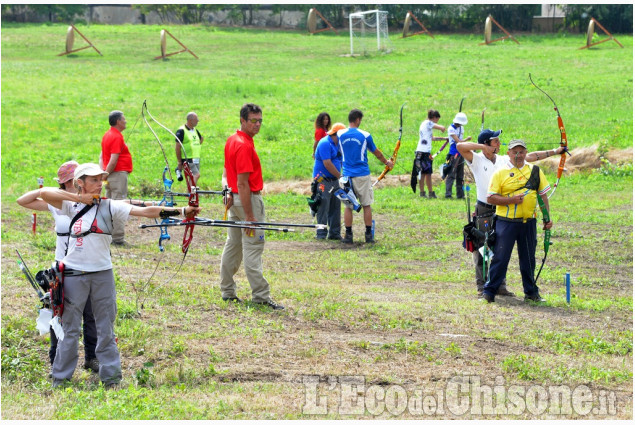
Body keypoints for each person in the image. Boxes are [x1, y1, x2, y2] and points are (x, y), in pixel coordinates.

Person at [40, 163, 200, 388]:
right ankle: (61, 379)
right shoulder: (69, 205)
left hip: (102, 273)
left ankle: (112, 378)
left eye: (100, 180)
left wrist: (182, 211)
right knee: (70, 328)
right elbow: (44, 193)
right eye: (93, 180)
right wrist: (79, 198)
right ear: (80, 183)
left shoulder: (109, 205)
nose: (99, 184)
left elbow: (145, 211)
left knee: (106, 325)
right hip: (74, 274)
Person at [458, 129, 566, 298]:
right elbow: (459, 145)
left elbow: (530, 157)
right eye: (495, 142)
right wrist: (482, 148)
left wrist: (555, 152)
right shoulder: (476, 159)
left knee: (501, 249)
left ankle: (500, 286)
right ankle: (482, 286)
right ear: (487, 143)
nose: (499, 144)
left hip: (503, 212)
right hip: (485, 209)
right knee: (483, 248)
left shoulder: (503, 159)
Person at [17, 161, 99, 374]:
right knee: (59, 313)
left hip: (86, 264)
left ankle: (92, 357)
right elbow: (22, 200)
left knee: (90, 313)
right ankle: (56, 358)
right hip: (62, 268)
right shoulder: (55, 202)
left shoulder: (89, 200)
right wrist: (45, 191)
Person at [219, 103, 284, 310]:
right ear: (243, 121)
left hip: (235, 199)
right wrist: (250, 215)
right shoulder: (244, 145)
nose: (257, 124)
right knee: (253, 247)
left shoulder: (233, 140)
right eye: (253, 121)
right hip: (247, 200)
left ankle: (227, 291)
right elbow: (243, 183)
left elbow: (227, 173)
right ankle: (261, 296)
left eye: (260, 121)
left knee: (234, 245)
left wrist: (227, 191)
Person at [481, 139, 553, 303]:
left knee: (528, 258)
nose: (518, 155)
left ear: (526, 153)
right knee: (500, 257)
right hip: (506, 223)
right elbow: (490, 197)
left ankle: (531, 292)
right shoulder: (500, 173)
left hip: (528, 223)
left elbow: (543, 196)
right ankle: (489, 292)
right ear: (509, 154)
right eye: (515, 152)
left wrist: (547, 218)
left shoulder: (535, 171)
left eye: (521, 152)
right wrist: (511, 200)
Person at [338, 109, 393, 244]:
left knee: (348, 206)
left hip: (346, 175)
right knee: (366, 205)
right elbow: (376, 152)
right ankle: (368, 235)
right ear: (357, 120)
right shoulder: (365, 135)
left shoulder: (340, 134)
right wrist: (387, 162)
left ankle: (348, 235)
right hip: (362, 175)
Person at [101, 110, 132, 245]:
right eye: (124, 119)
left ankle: (107, 235)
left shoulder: (107, 135)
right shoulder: (116, 136)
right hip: (117, 175)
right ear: (118, 121)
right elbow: (113, 160)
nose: (125, 121)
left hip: (110, 175)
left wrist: (103, 173)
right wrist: (106, 173)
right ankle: (117, 238)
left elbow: (102, 157)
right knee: (119, 205)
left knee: (109, 206)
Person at [313, 122, 347, 240]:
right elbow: (327, 163)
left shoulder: (339, 145)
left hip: (335, 180)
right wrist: (340, 176)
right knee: (323, 205)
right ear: (337, 134)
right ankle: (321, 233)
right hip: (323, 180)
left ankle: (334, 233)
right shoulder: (325, 143)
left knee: (335, 206)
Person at [413, 109, 446, 198]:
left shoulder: (426, 125)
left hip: (422, 151)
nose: (437, 122)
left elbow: (433, 138)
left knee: (425, 173)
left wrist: (445, 139)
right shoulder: (427, 123)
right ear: (434, 118)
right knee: (426, 173)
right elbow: (437, 126)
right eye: (437, 120)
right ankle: (427, 193)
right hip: (424, 152)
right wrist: (442, 128)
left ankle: (425, 193)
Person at [444, 112, 471, 199]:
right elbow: (458, 141)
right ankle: (448, 194)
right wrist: (467, 139)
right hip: (454, 154)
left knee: (460, 175)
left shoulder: (461, 128)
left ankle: (460, 194)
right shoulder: (451, 129)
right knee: (451, 174)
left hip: (461, 153)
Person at [175, 112, 204, 186]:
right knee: (196, 175)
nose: (198, 121)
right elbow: (178, 146)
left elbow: (201, 139)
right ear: (190, 120)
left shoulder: (194, 130)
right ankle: (192, 194)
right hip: (188, 158)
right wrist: (179, 161)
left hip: (196, 158)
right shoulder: (181, 131)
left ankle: (190, 195)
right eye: (196, 119)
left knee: (192, 177)